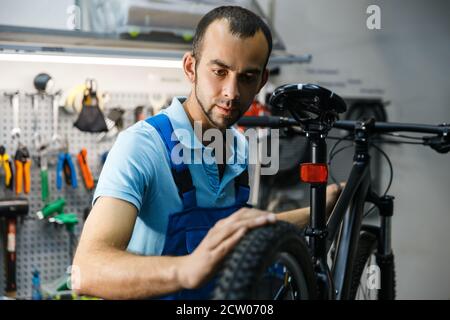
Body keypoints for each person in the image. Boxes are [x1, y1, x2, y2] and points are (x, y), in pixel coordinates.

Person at [72, 5, 342, 300]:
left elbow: (235, 235)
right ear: (191, 67)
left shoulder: (238, 147)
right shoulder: (142, 146)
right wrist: (186, 269)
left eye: (247, 77)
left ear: (262, 80)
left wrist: (317, 210)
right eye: (219, 71)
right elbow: (87, 271)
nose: (232, 93)